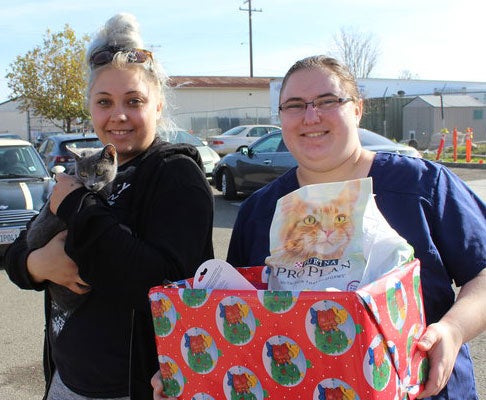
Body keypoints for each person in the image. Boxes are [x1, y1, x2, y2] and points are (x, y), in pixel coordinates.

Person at [224, 56, 485, 399]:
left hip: (423, 390)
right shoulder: (260, 210)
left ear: (358, 110)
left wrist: (452, 330)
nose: (311, 116)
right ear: (281, 118)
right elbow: (234, 315)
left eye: (328, 101)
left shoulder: (422, 185)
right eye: (295, 105)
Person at [5, 12, 214, 400]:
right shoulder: (85, 168)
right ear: (91, 107)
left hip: (134, 386)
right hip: (65, 381)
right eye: (104, 102)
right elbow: (18, 255)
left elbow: (165, 288)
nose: (118, 115)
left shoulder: (174, 174)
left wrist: (77, 207)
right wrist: (39, 265)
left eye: (134, 101)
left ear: (157, 105)